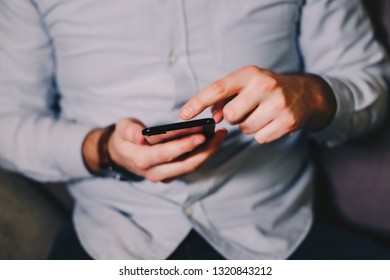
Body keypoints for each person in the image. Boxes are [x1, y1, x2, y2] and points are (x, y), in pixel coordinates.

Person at [0, 0, 390, 260]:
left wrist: (310, 95)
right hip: (111, 239)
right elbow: (8, 122)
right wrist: (101, 148)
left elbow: (369, 80)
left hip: (281, 233)